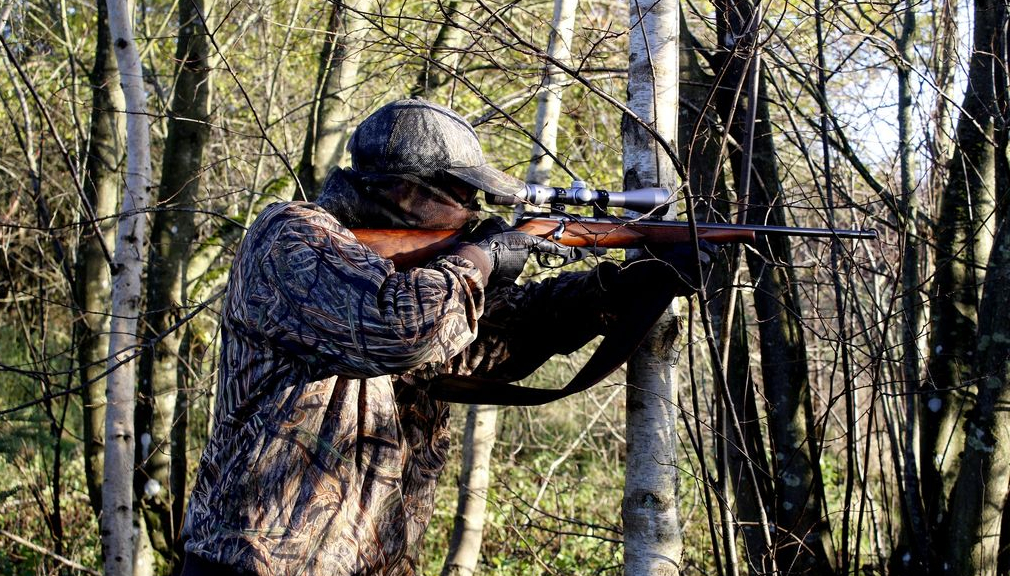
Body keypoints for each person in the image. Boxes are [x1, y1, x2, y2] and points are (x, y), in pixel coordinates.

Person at [180, 99, 704, 575]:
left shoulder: (413, 278)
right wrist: (478, 260)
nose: (475, 210)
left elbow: (488, 344)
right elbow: (401, 329)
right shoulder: (291, 236)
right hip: (250, 564)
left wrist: (619, 291)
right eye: (462, 193)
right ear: (407, 190)